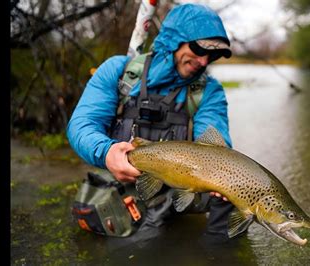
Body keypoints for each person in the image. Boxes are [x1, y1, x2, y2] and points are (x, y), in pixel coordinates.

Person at [67, 3, 239, 244]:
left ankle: (216, 252)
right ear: (175, 40)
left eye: (212, 55)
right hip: (123, 184)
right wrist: (106, 152)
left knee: (233, 199)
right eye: (199, 49)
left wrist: (219, 174)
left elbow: (215, 140)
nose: (203, 61)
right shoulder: (118, 71)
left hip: (176, 188)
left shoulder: (210, 91)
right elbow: (82, 125)